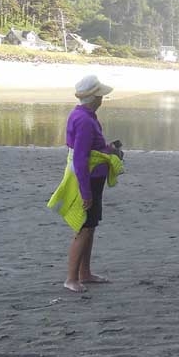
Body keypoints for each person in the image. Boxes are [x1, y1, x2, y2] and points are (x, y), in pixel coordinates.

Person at [57, 74, 123, 293]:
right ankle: (71, 279)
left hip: (94, 178)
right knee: (84, 228)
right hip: (88, 180)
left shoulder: (85, 115)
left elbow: (88, 148)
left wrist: (107, 149)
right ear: (94, 97)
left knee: (90, 226)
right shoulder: (84, 120)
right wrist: (85, 192)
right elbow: (80, 157)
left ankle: (84, 273)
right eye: (100, 95)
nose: (102, 99)